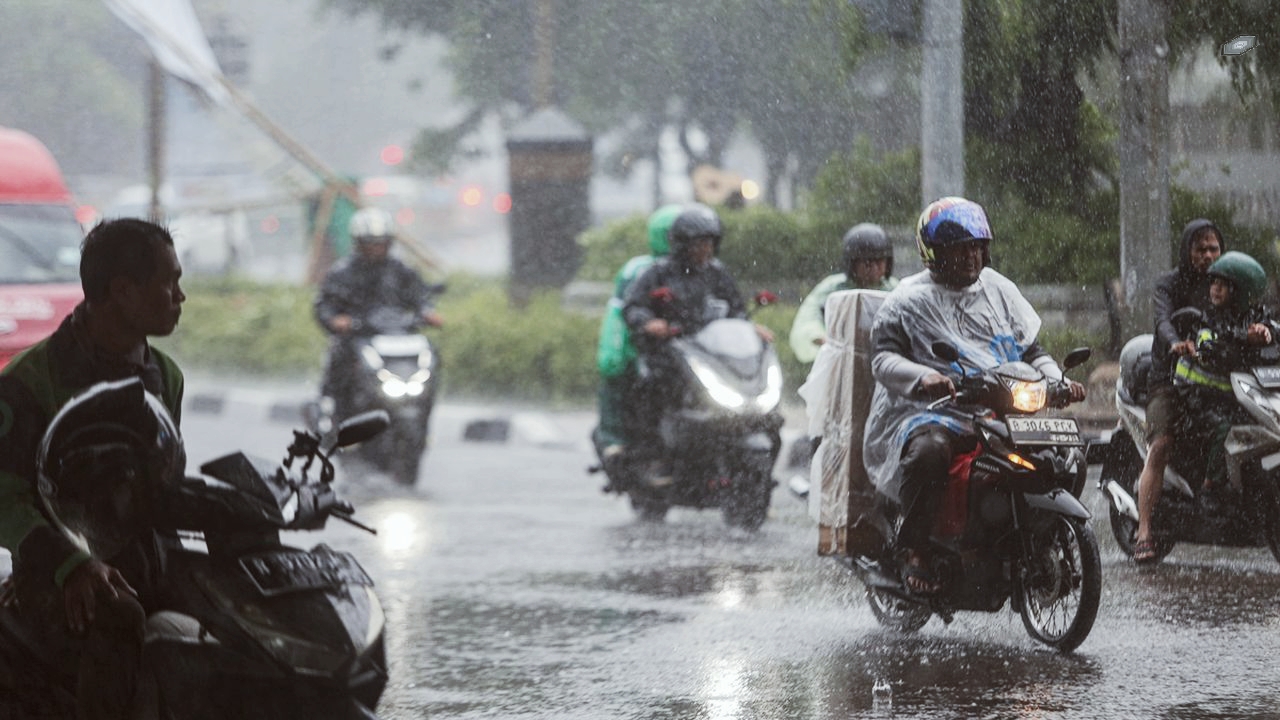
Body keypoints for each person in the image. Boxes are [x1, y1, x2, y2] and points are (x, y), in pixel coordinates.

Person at [0, 217, 186, 718]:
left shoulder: (166, 376)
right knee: (119, 618)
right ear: (122, 292)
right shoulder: (29, 381)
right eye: (169, 283)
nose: (180, 296)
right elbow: (5, 500)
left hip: (146, 558)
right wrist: (69, 563)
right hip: (60, 573)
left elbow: (166, 479)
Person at [861, 197, 1085, 595]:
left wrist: (1058, 382)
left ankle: (1036, 538)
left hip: (1001, 405)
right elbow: (883, 359)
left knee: (1066, 452)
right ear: (934, 253)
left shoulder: (999, 289)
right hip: (930, 410)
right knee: (930, 453)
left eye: (977, 246)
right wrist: (924, 376)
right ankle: (915, 550)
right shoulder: (907, 301)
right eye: (960, 247)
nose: (971, 256)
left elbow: (1032, 350)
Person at [623, 203, 774, 449]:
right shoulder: (658, 273)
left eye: (710, 242)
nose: (706, 249)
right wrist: (650, 322)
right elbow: (633, 306)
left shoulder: (717, 273)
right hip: (671, 351)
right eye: (699, 243)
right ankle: (650, 450)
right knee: (650, 385)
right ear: (682, 244)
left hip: (711, 353)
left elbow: (735, 308)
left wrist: (749, 327)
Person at [1133, 219, 1223, 563]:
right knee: (1161, 445)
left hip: (1212, 379)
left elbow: (1246, 313)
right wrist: (1175, 343)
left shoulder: (1224, 281)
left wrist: (1262, 331)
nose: (1208, 255)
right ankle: (1144, 530)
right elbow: (1162, 320)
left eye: (1213, 248)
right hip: (1168, 379)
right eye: (1201, 249)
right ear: (1188, 250)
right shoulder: (1168, 284)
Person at [314, 207, 444, 414]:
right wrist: (336, 320)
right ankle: (332, 411)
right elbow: (325, 305)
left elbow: (420, 295)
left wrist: (427, 312)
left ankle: (424, 407)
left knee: (430, 354)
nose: (376, 248)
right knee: (340, 358)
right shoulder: (342, 273)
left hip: (397, 336)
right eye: (370, 243)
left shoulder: (400, 271)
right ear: (358, 243)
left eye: (381, 243)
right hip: (358, 336)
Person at [1169, 251, 1275, 501]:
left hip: (1229, 395)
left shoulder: (1255, 314)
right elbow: (1211, 346)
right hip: (1195, 394)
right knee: (1226, 430)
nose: (1214, 289)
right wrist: (1244, 338)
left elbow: (1272, 330)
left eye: (1222, 285)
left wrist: (1267, 331)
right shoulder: (1210, 318)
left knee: (1259, 429)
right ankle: (1210, 487)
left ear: (1240, 291)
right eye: (1213, 283)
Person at [594, 204, 680, 456]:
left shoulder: (706, 270)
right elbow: (626, 311)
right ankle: (617, 440)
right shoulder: (642, 271)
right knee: (626, 379)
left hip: (689, 349)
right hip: (647, 345)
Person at [789, 223, 899, 365]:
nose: (875, 268)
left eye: (880, 261)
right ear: (852, 263)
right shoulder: (833, 288)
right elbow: (808, 318)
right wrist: (822, 339)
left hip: (887, 363)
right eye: (868, 262)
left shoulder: (896, 290)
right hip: (841, 364)